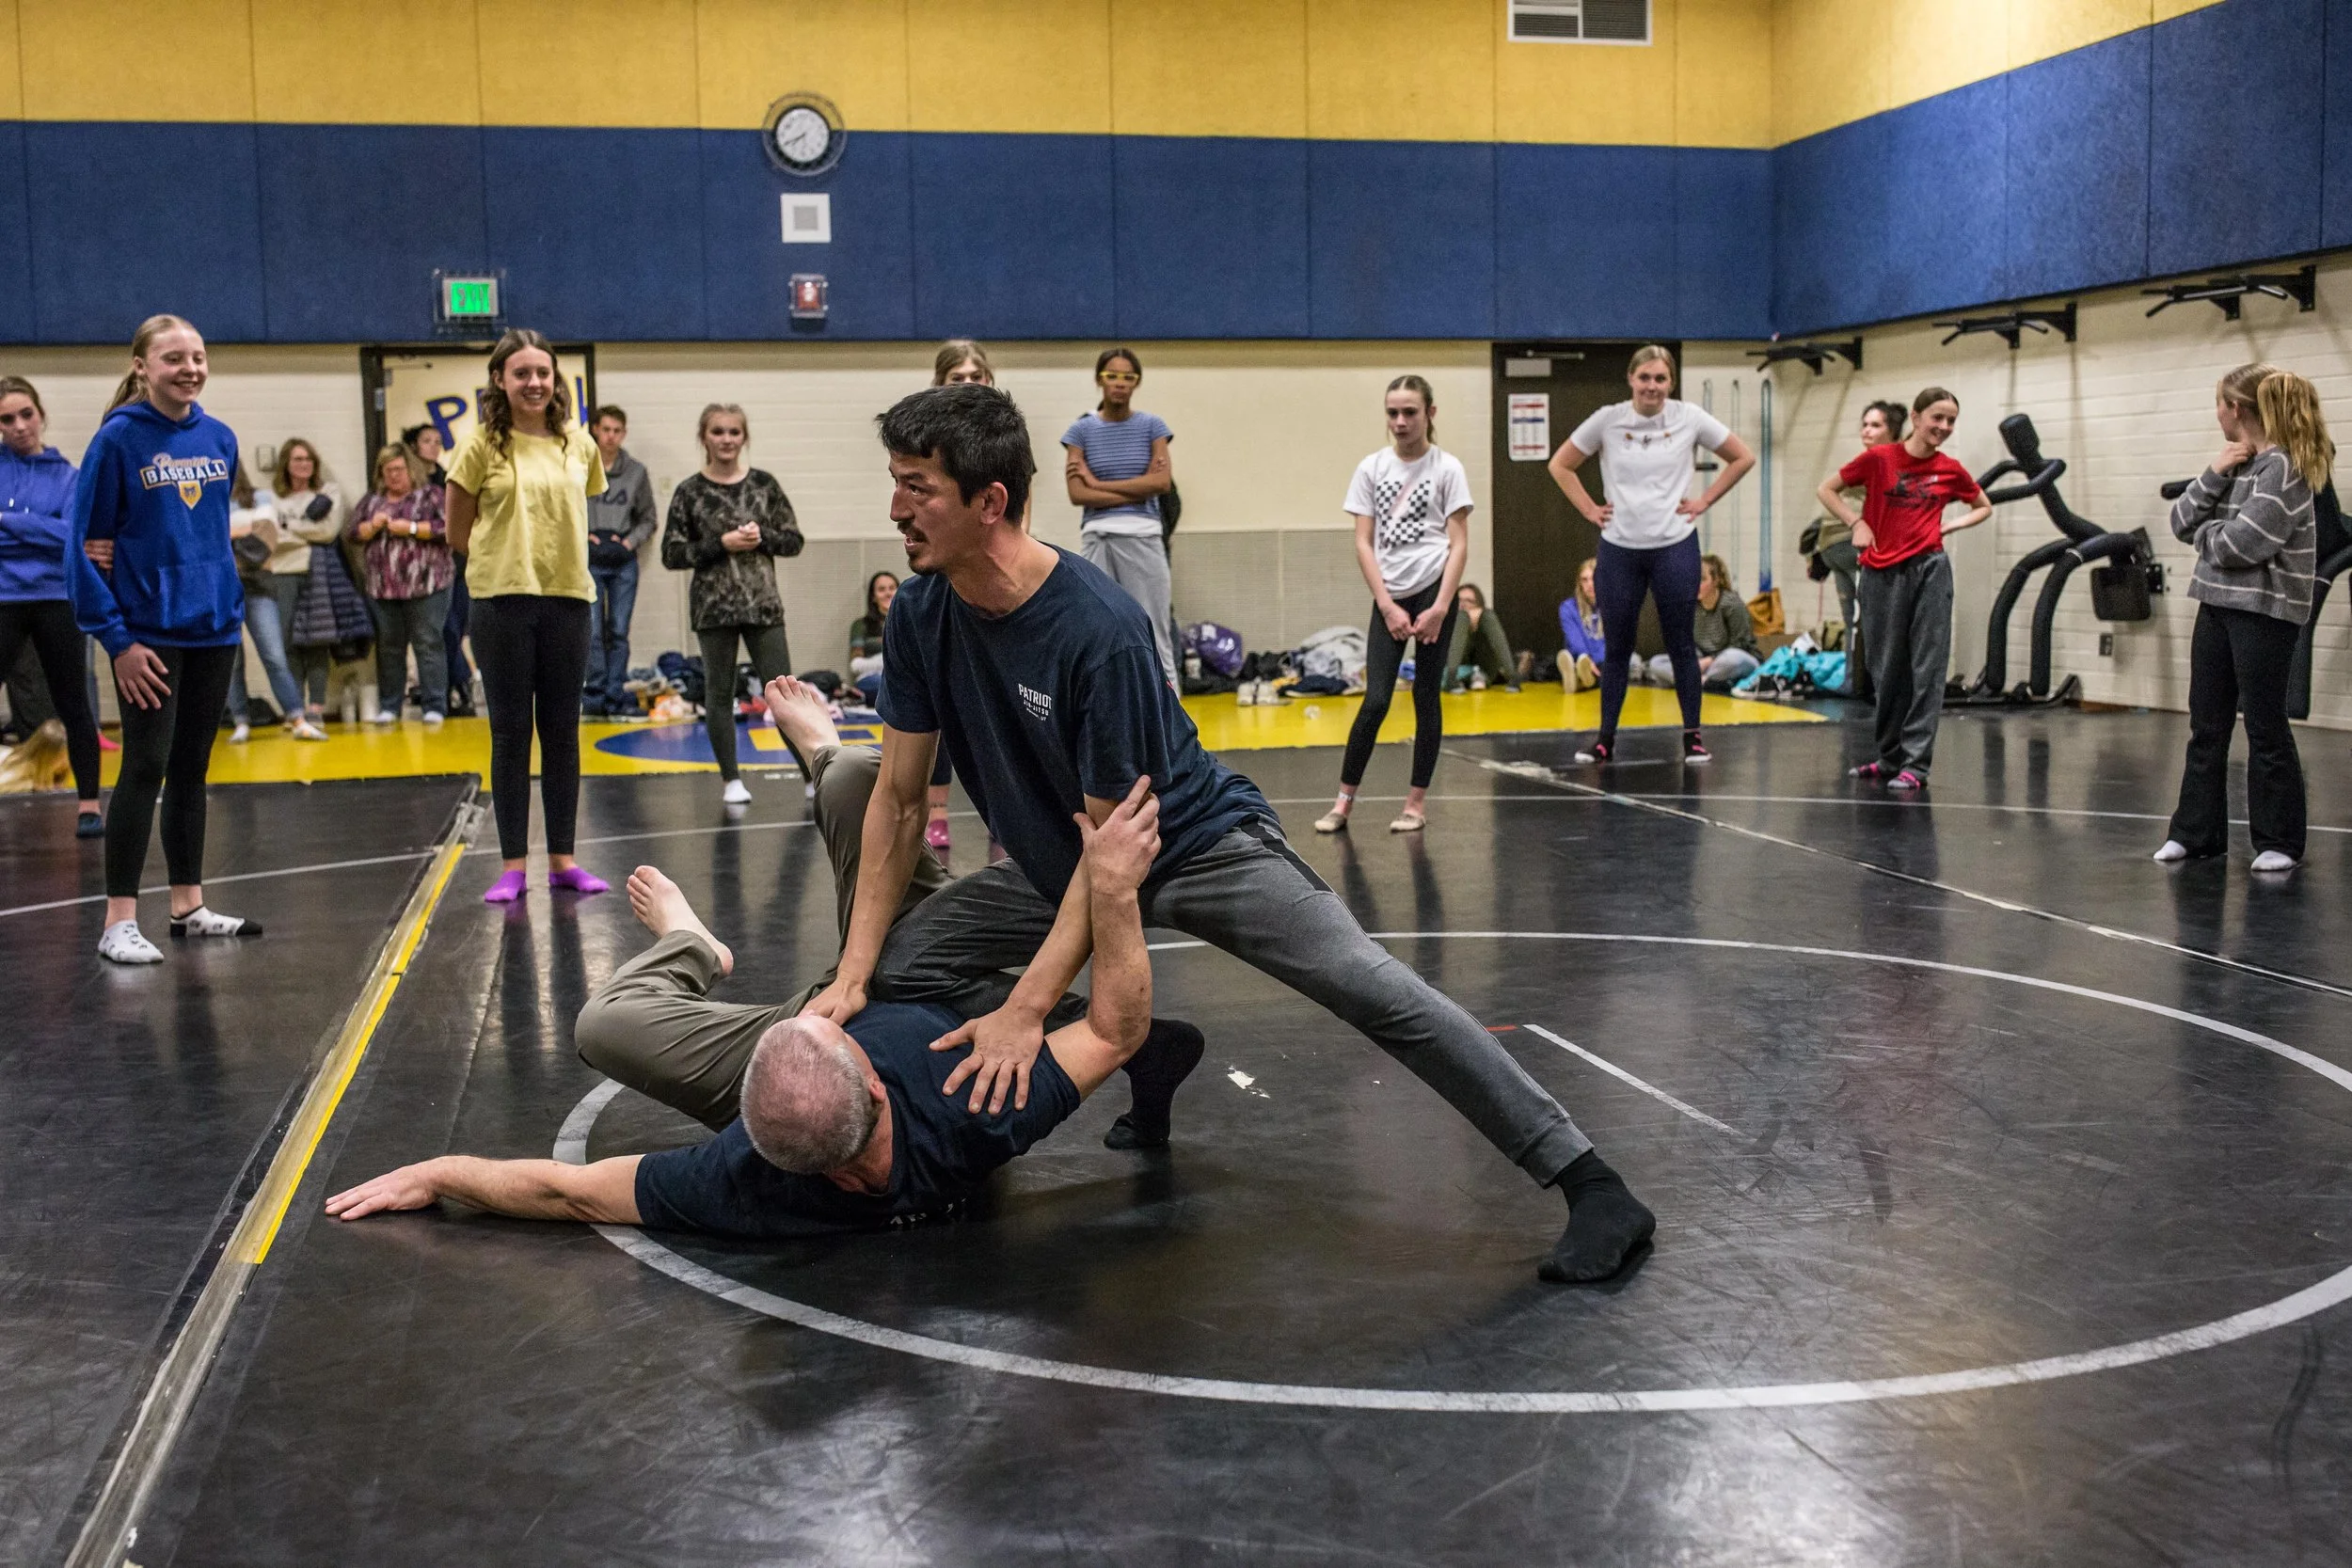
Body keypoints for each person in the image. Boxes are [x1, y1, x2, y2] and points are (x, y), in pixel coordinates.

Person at [809, 384, 1654, 1285]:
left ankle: (1592, 1182)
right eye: (895, 483)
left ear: (991, 502)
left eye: (916, 488)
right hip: (1069, 863)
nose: (896, 509)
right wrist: (855, 974)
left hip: (1194, 845)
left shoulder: (1097, 630)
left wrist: (1024, 1014)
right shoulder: (922, 612)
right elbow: (899, 803)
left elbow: (1116, 859)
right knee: (903, 966)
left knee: (1372, 988)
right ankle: (1146, 1044)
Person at [324, 685, 1200, 1237]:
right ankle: (826, 755)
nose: (829, 1015)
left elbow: (570, 1193)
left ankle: (693, 946)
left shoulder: (746, 1176)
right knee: (863, 781)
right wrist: (1114, 885)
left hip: (851, 996)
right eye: (832, 1031)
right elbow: (1118, 1026)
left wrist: (441, 1171)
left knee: (601, 1023)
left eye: (811, 1026)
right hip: (949, 983)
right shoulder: (975, 1107)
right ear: (875, 1085)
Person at [66, 313, 261, 962]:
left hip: (211, 632)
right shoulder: (117, 441)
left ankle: (188, 904)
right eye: (174, 358)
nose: (190, 368)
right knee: (145, 763)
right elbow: (86, 548)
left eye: (198, 356)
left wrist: (226, 606)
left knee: (191, 769)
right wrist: (116, 639)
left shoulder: (221, 438)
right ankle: (118, 920)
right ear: (142, 366)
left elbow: (205, 536)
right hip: (145, 636)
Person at [445, 327, 610, 903]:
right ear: (499, 380)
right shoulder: (477, 446)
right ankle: (513, 864)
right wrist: (506, 564)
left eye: (543, 372)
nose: (534, 382)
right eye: (521, 373)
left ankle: (563, 859)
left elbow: (574, 514)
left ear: (554, 379)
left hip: (568, 598)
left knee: (562, 732)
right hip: (500, 602)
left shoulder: (578, 443)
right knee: (511, 734)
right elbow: (456, 532)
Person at [2155, 364, 2328, 873]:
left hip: (2264, 614)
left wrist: (2207, 539)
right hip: (2217, 606)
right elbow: (2180, 520)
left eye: (2219, 405)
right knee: (2205, 725)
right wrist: (2214, 471)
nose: (2217, 414)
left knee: (2265, 725)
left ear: (2236, 409)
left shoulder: (2285, 468)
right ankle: (2195, 833)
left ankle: (2280, 841)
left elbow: (2242, 543)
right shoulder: (2238, 463)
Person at [1548, 345, 1756, 766]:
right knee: (1618, 647)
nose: (1652, 387)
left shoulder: (1689, 418)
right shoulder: (1608, 419)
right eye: (1645, 378)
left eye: (1661, 379)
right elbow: (1561, 464)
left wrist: (1704, 501)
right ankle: (1605, 739)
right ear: (1631, 380)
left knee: (1681, 643)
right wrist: (1590, 509)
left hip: (1674, 545)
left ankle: (1693, 737)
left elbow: (1742, 457)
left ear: (1671, 383)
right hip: (1620, 548)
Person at [1815, 387, 1993, 791]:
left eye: (1950, 421)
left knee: (1926, 668)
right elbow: (1827, 489)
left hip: (1928, 570)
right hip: (1879, 573)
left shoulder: (1950, 469)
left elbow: (1983, 505)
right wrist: (1856, 522)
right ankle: (1889, 757)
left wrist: (1952, 525)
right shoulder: (1880, 459)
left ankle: (1917, 764)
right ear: (1915, 418)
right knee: (1885, 666)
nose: (1943, 427)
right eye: (1937, 418)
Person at [1315, 375, 1470, 835]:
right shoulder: (1371, 468)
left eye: (1410, 412)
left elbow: (1459, 544)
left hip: (1434, 591)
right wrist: (1385, 604)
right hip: (1391, 597)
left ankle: (1415, 803)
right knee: (1377, 699)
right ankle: (1343, 803)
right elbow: (1363, 542)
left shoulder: (1448, 469)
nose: (1400, 422)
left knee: (1426, 697)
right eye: (1393, 413)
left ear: (1430, 414)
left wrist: (1443, 605)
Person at [660, 403, 805, 806]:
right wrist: (719, 544)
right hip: (713, 609)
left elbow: (794, 540)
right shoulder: (689, 491)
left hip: (763, 606)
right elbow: (671, 554)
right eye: (718, 432)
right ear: (704, 437)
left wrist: (764, 539)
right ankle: (731, 780)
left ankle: (812, 777)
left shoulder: (764, 485)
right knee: (718, 693)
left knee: (784, 692)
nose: (726, 440)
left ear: (745, 438)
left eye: (734, 432)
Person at [0, 375, 103, 834]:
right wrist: (42, 528)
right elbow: (55, 532)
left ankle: (89, 805)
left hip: (57, 598)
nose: (19, 426)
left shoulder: (69, 475)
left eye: (27, 414)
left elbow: (72, 537)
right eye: (7, 419)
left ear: (41, 415)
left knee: (73, 702)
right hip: (4, 598)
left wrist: (7, 522)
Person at [1062, 347, 1177, 685]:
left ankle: (1172, 724)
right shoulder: (1080, 431)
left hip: (1144, 535)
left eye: (1129, 377)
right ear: (1100, 379)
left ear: (1137, 383)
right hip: (1097, 537)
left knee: (1155, 630)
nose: (1120, 384)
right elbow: (1076, 494)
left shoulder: (1153, 426)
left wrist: (1098, 483)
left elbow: (1161, 482)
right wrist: (1138, 486)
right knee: (1095, 629)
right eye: (1113, 376)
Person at [925, 341, 997, 856]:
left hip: (992, 577)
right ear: (940, 385)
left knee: (1001, 702)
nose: (969, 384)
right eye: (958, 378)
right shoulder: (926, 440)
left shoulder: (1004, 441)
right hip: (948, 575)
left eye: (977, 376)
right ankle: (937, 811)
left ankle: (1005, 811)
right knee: (943, 700)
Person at [348, 443, 452, 724]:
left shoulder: (431, 495)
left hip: (428, 583)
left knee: (428, 643)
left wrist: (413, 528)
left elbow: (449, 527)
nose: (393, 476)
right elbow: (353, 532)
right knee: (389, 647)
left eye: (398, 469)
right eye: (388, 470)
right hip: (382, 587)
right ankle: (390, 706)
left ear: (411, 469)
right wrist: (371, 526)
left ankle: (435, 706)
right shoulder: (372, 501)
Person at [1809, 401, 1907, 697]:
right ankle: (1855, 681)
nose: (1866, 430)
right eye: (1864, 424)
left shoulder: (1890, 461)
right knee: (1852, 620)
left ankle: (1875, 683)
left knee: (1869, 618)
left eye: (1875, 425)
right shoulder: (1869, 460)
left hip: (1857, 550)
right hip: (1836, 548)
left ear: (1892, 432)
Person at [583, 404, 656, 718]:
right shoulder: (579, 467)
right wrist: (583, 535)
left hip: (623, 560)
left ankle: (615, 694)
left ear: (623, 434)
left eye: (617, 431)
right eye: (606, 429)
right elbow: (564, 510)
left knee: (619, 630)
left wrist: (629, 541)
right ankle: (595, 694)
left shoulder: (636, 472)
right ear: (595, 430)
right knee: (592, 630)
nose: (611, 436)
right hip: (588, 560)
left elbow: (648, 518)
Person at [267, 438, 345, 725]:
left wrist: (288, 528)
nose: (304, 465)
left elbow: (327, 532)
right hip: (282, 573)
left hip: (318, 571)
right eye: (298, 459)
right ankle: (295, 708)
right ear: (286, 464)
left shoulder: (326, 493)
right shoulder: (272, 499)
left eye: (308, 459)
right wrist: (303, 532)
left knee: (316, 641)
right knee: (288, 642)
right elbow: (270, 538)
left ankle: (316, 707)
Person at [405, 421, 471, 716]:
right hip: (419, 568)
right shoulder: (408, 481)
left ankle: (457, 687)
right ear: (413, 446)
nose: (434, 445)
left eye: (437, 440)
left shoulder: (449, 477)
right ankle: (451, 688)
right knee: (436, 632)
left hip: (454, 563)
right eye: (426, 440)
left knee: (454, 630)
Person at [1653, 552, 1760, 690]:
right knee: (1656, 663)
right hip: (1704, 663)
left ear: (1716, 581)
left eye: (1702, 579)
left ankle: (1690, 680)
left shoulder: (1731, 604)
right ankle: (1706, 682)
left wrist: (1708, 661)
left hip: (1736, 658)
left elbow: (1742, 644)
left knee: (1731, 659)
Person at [1555, 557, 1620, 692]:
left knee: (1622, 663)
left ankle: (1580, 681)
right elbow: (1574, 639)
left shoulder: (1614, 606)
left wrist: (1595, 660)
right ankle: (1582, 676)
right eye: (1585, 580)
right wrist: (1586, 657)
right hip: (1580, 657)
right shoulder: (1567, 608)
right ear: (1579, 583)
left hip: (1602, 659)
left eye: (1594, 578)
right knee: (1574, 657)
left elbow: (1614, 641)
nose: (1590, 584)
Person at [1441, 583, 1518, 693]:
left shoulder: (1485, 617)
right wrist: (1462, 618)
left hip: (1485, 667)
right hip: (1456, 667)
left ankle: (1513, 677)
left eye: (1469, 601)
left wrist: (1476, 621)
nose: (1463, 604)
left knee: (1488, 615)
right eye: (1459, 600)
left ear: (1478, 604)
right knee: (1461, 617)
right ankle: (1452, 678)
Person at [848, 568, 896, 705]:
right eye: (882, 589)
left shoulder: (911, 623)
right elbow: (855, 665)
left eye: (892, 588)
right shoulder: (861, 625)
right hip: (872, 679)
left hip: (904, 679)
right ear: (873, 596)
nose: (888, 593)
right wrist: (887, 660)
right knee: (887, 686)